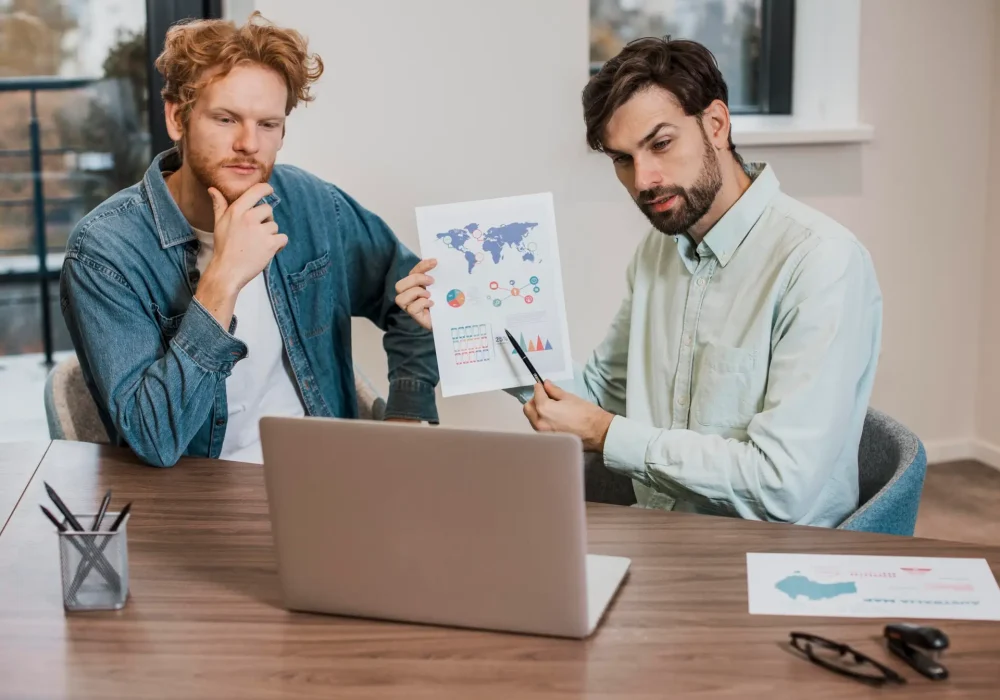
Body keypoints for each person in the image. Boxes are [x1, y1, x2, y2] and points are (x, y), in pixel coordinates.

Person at [394, 38, 882, 527]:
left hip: (772, 557)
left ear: (716, 124)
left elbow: (782, 485)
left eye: (661, 144)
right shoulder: (660, 250)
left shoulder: (820, 262)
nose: (644, 180)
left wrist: (608, 435)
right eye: (622, 159)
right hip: (662, 535)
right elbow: (598, 395)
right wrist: (471, 328)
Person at [60, 12, 438, 467]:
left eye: (268, 124)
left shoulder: (313, 204)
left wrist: (405, 418)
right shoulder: (104, 251)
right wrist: (222, 279)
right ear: (178, 118)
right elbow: (154, 439)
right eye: (226, 119)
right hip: (200, 495)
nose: (249, 144)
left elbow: (418, 298)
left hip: (329, 480)